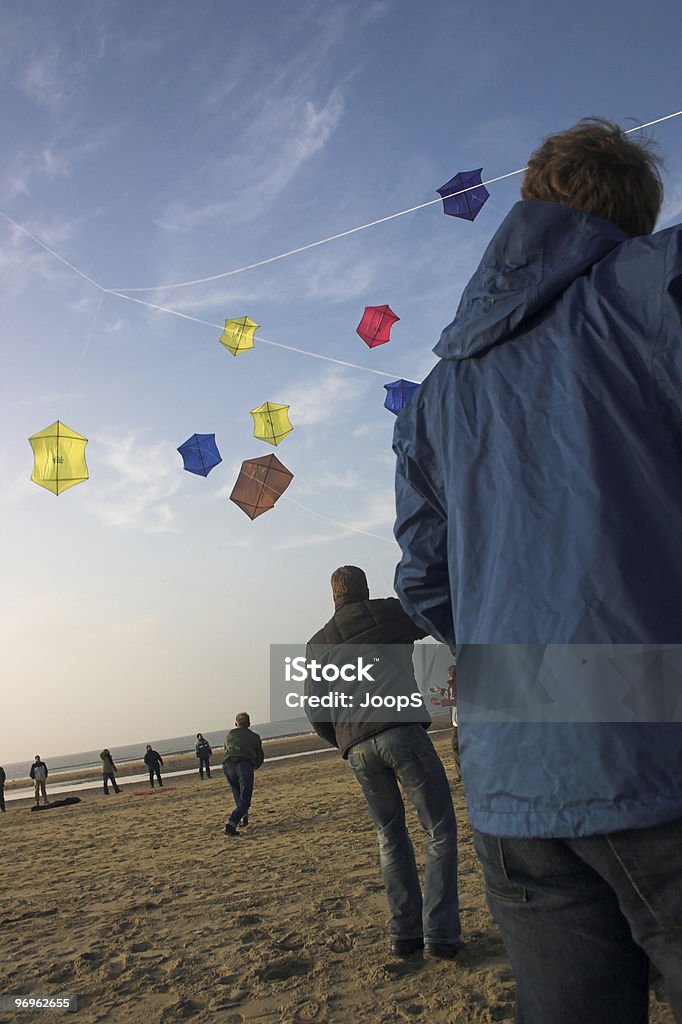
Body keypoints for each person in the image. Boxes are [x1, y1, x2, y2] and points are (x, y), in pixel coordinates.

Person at [393, 119, 682, 1020]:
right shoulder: (651, 286)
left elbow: (424, 580)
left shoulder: (437, 395)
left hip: (515, 780)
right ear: (631, 220)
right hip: (658, 750)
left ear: (529, 205)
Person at [305, 565, 461, 960]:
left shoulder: (318, 643)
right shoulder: (389, 613)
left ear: (333, 597)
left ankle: (405, 935)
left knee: (390, 835)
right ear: (366, 590)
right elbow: (431, 614)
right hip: (401, 730)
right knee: (438, 829)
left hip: (358, 746)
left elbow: (315, 709)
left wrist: (343, 740)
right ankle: (440, 934)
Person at [222, 713, 264, 836]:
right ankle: (231, 824)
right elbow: (260, 757)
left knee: (237, 793)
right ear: (249, 724)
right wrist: (254, 766)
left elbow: (226, 750)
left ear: (236, 724)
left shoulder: (229, 735)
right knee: (245, 798)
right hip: (244, 764)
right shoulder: (254, 737)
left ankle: (243, 816)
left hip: (228, 765)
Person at [429, 663, 460, 779]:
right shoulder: (456, 685)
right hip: (459, 720)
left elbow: (454, 700)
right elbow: (451, 696)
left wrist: (439, 702)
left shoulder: (453, 685)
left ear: (450, 674)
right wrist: (440, 690)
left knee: (456, 747)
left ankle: (462, 774)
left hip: (458, 721)